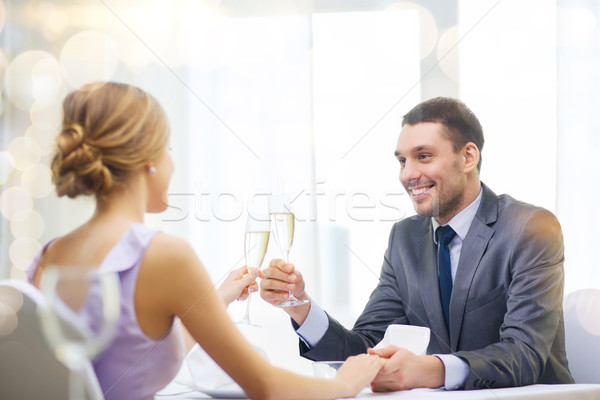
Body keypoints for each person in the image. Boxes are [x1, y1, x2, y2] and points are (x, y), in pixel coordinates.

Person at [26, 82, 384, 400]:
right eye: (167, 149)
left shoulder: (48, 255)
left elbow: (123, 363)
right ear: (148, 161)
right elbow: (266, 387)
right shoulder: (164, 255)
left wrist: (215, 300)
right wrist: (345, 384)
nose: (171, 164)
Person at [260, 97, 574, 391]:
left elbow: (523, 356)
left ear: (467, 157)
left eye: (423, 156)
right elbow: (363, 349)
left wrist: (427, 369)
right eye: (402, 161)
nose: (408, 174)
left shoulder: (530, 228)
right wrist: (300, 307)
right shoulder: (405, 239)